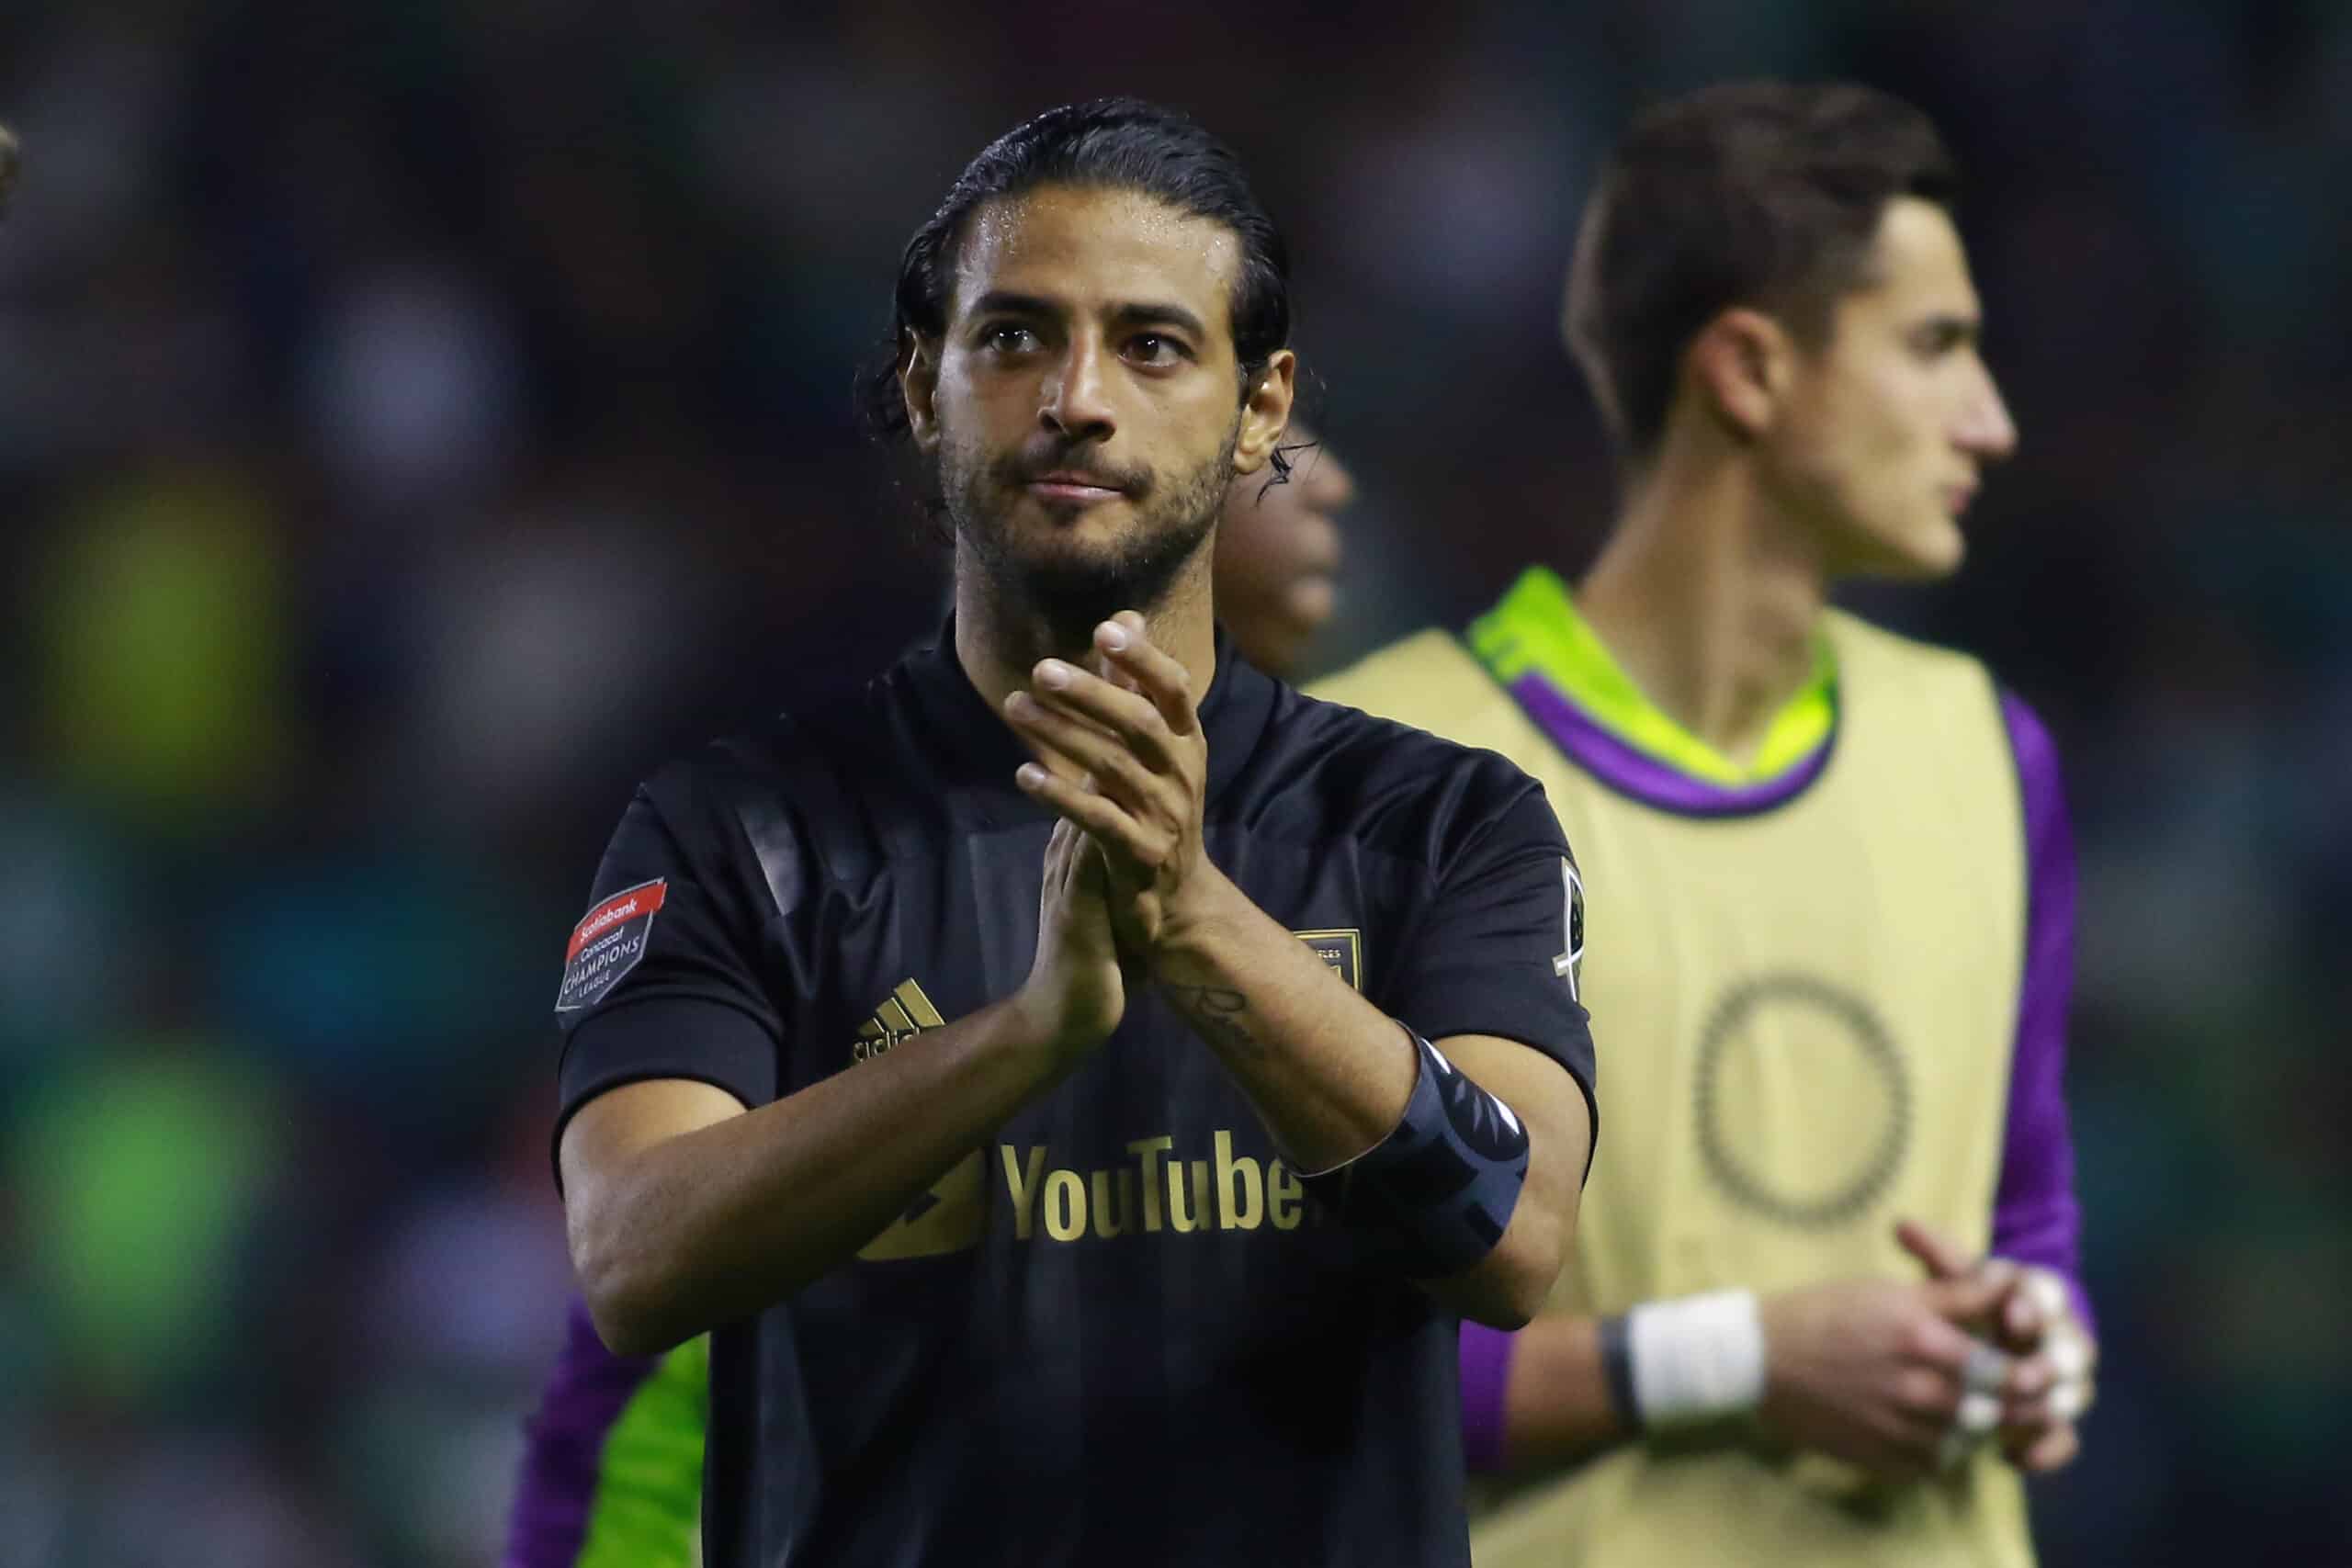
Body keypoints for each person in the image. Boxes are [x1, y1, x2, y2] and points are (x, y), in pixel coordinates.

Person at [548, 97, 1594, 1568]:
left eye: (1153, 345)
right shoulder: (740, 833)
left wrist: (1195, 914)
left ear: (1262, 408)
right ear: (927, 386)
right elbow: (633, 1255)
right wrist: (1025, 1034)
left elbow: (1514, 1230)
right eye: (1015, 336)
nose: (1077, 397)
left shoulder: (1440, 825)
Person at [1308, 81, 2093, 1566]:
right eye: (1935, 347)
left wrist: (2035, 1339)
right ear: (1748, 370)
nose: (1990, 419)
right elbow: (1283, 1348)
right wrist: (1740, 1358)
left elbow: (2028, 1212)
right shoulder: (1380, 765)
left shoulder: (1989, 753)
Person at [503, 431, 1358, 1568]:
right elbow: (646, 1304)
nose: (1329, 492)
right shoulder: (826, 839)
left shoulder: (1374, 841)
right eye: (1281, 466)